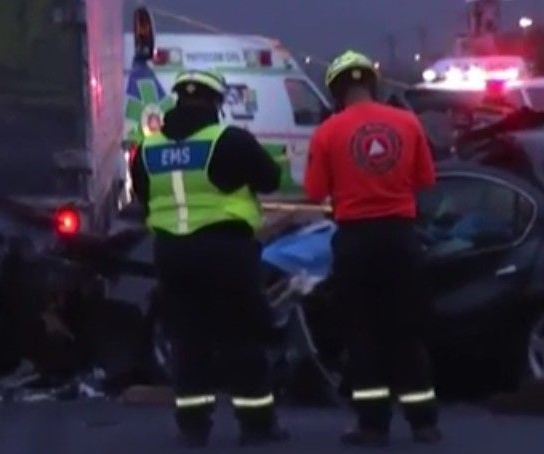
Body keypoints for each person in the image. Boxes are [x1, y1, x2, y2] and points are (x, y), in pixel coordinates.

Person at [130, 69, 287, 447]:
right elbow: (270, 180)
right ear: (215, 102)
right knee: (242, 336)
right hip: (225, 250)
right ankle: (256, 425)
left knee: (186, 339)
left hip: (172, 253)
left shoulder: (148, 149)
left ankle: (193, 427)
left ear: (178, 101)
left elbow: (143, 196)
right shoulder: (229, 140)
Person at [304, 50, 441, 446]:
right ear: (372, 83)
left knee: (361, 333)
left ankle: (372, 424)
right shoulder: (408, 122)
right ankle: (424, 422)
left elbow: (314, 191)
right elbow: (426, 179)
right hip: (401, 237)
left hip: (355, 241)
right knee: (405, 330)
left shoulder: (328, 131)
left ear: (336, 90)